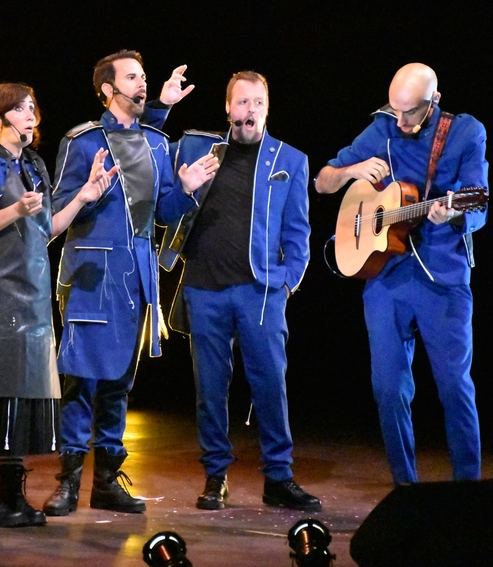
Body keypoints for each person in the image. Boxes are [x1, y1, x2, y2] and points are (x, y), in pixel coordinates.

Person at [43, 50, 218, 516]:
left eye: (144, 76)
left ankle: (106, 480)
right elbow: (56, 212)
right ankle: (68, 479)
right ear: (108, 89)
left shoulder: (158, 144)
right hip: (91, 274)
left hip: (135, 276)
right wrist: (88, 195)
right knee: (82, 378)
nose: (143, 84)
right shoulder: (82, 142)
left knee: (119, 382)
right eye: (133, 78)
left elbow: (161, 215)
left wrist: (184, 189)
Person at [315, 63, 488, 485]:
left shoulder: (465, 133)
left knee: (453, 387)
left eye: (411, 112)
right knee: (388, 389)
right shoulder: (383, 126)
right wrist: (352, 172)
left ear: (435, 101)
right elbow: (323, 181)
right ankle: (404, 488)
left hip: (442, 279)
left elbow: (479, 204)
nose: (402, 121)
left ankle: (469, 489)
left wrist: (450, 215)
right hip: (386, 277)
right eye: (396, 111)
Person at [0, 82, 115, 527]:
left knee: (22, 398)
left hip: (33, 294)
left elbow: (46, 230)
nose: (30, 116)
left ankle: (11, 496)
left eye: (32, 108)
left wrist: (84, 196)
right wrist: (14, 212)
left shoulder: (35, 165)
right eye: (20, 109)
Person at [158, 71, 320, 512]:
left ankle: (279, 478)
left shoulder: (291, 159)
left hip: (260, 291)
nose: (249, 111)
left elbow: (299, 232)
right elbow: (163, 211)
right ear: (227, 108)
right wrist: (186, 188)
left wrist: (287, 282)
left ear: (267, 108)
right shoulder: (195, 150)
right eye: (241, 103)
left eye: (257, 104)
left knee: (270, 384)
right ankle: (215, 478)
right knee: (210, 388)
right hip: (204, 288)